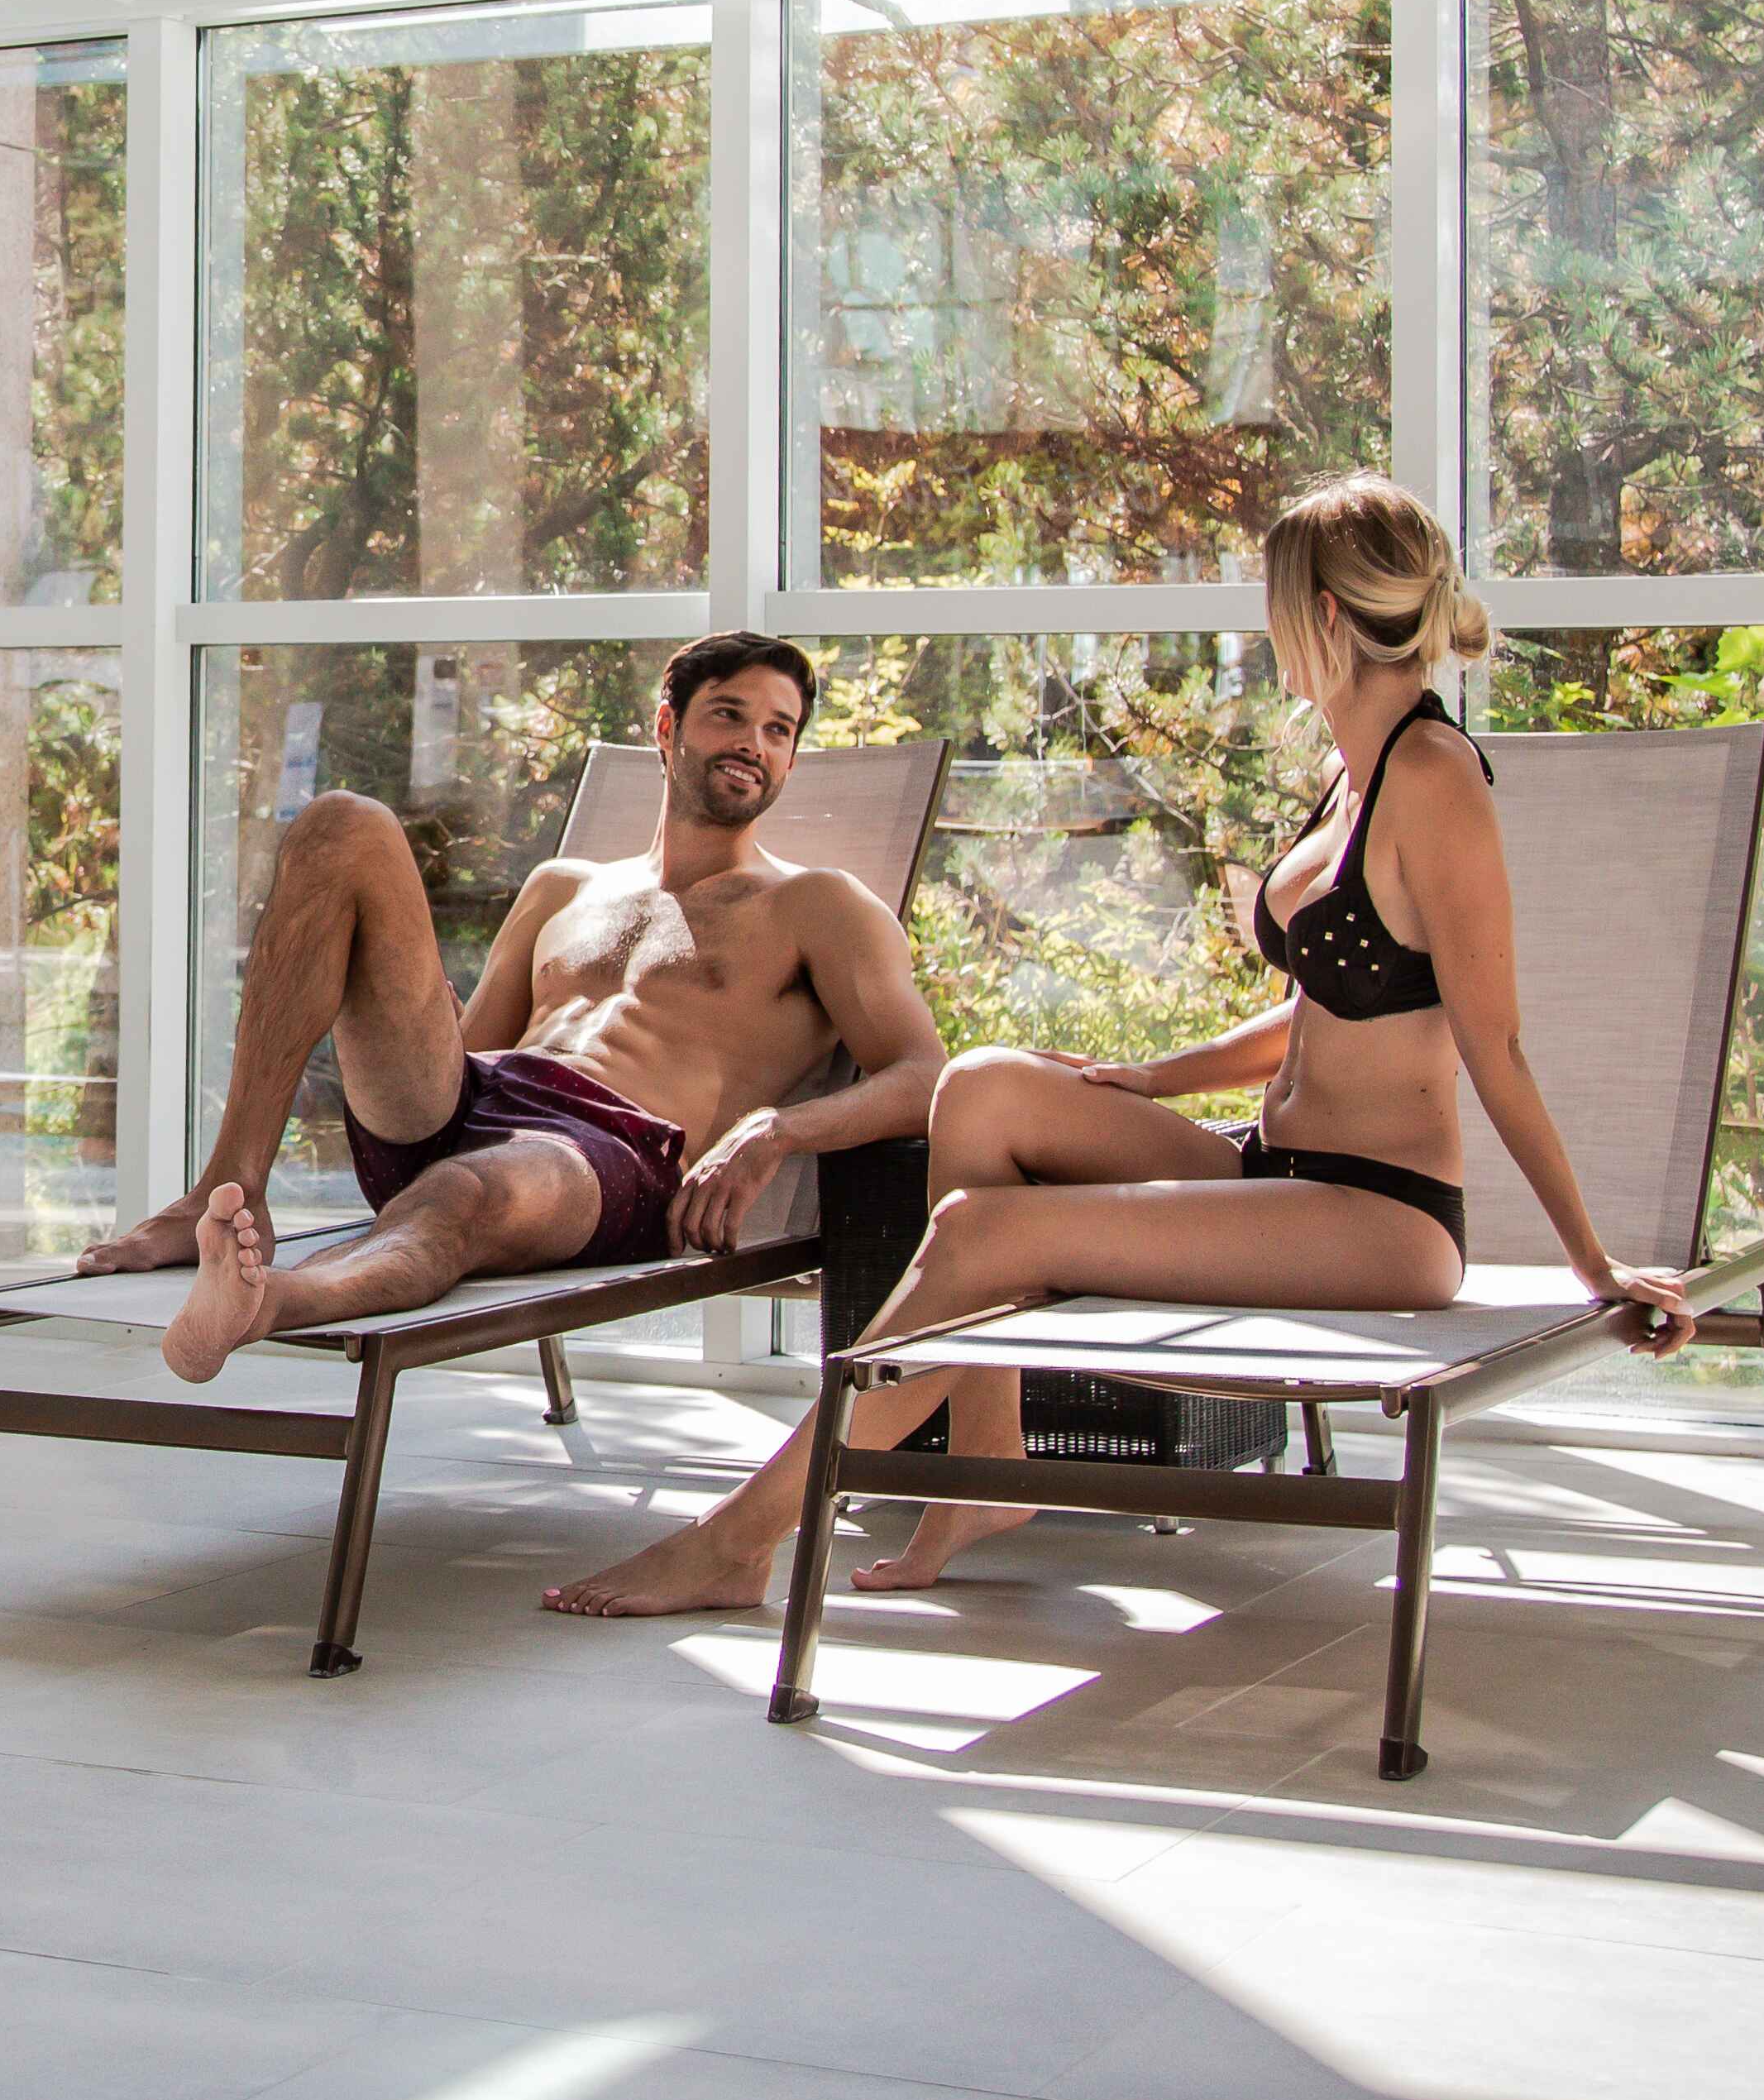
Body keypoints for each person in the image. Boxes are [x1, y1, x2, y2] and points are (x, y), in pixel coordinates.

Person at [540, 475, 1698, 1616]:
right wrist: (1155, 1077)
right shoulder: (1351, 769)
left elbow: (1491, 1042)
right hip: (1269, 1167)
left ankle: (742, 1536)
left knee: (984, 1233)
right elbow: (1341, 1003)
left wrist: (1593, 1266)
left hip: (1378, 1215)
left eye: (1270, 596)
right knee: (987, 1086)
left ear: (1322, 617)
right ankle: (984, 1465)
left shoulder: (1433, 777)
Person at [79, 633, 949, 1386]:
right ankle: (227, 1195)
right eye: (729, 714)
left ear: (791, 756)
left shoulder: (822, 906)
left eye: (778, 728)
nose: (753, 743)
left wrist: (775, 1132)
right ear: (667, 725)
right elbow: (464, 1058)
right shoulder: (561, 888)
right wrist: (399, 1008)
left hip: (607, 1155)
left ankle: (261, 1301)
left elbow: (924, 1076)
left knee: (466, 1186)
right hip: (466, 1106)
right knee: (344, 822)